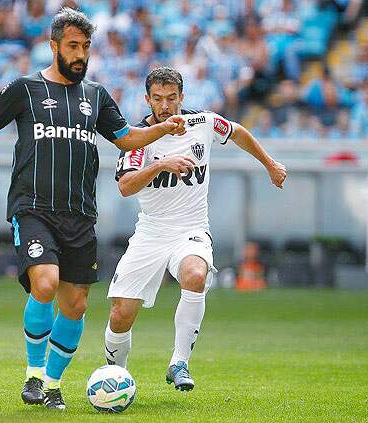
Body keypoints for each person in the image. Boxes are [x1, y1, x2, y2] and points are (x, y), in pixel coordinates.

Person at [0, 8, 185, 410]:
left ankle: (51, 385)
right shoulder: (25, 89)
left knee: (76, 303)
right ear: (53, 46)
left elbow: (127, 139)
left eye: (85, 46)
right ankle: (33, 376)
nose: (81, 54)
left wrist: (161, 129)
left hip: (80, 214)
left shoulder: (97, 96)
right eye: (73, 46)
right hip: (33, 208)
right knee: (45, 283)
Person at [105, 67, 286, 391]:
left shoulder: (202, 123)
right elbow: (125, 186)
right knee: (121, 313)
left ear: (181, 98)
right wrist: (161, 164)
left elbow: (238, 131)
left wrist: (269, 163)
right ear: (147, 99)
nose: (165, 106)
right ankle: (116, 377)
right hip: (151, 232)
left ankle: (179, 363)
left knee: (195, 275)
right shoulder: (137, 139)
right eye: (157, 99)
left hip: (191, 229)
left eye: (171, 98)